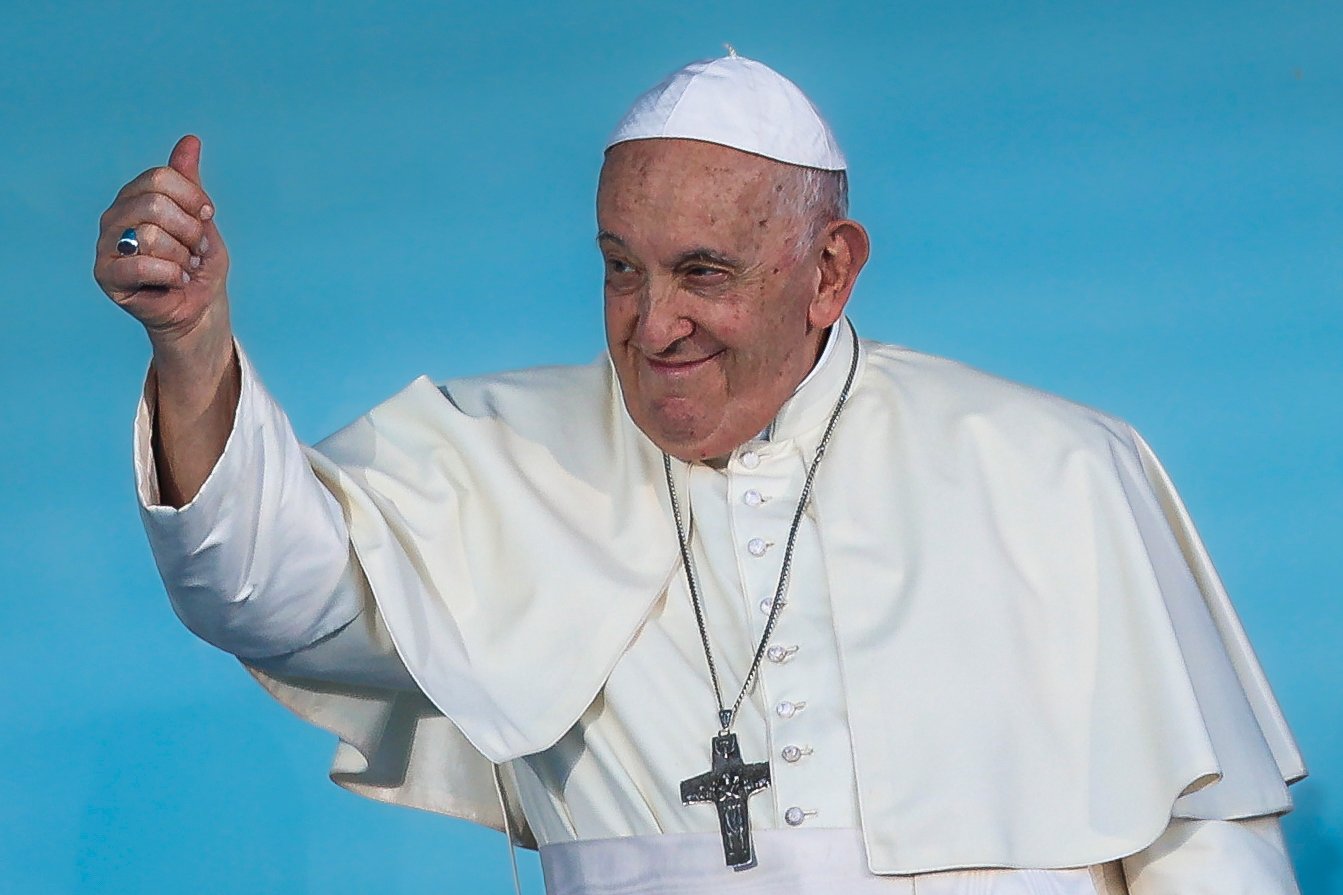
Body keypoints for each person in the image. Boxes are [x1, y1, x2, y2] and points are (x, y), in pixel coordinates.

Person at [96, 55, 1306, 894]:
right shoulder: (494, 458)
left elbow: (1206, 842)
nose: (652, 322)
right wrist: (193, 345)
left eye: (703, 273)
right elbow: (266, 592)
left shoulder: (1055, 471)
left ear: (828, 270)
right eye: (621, 268)